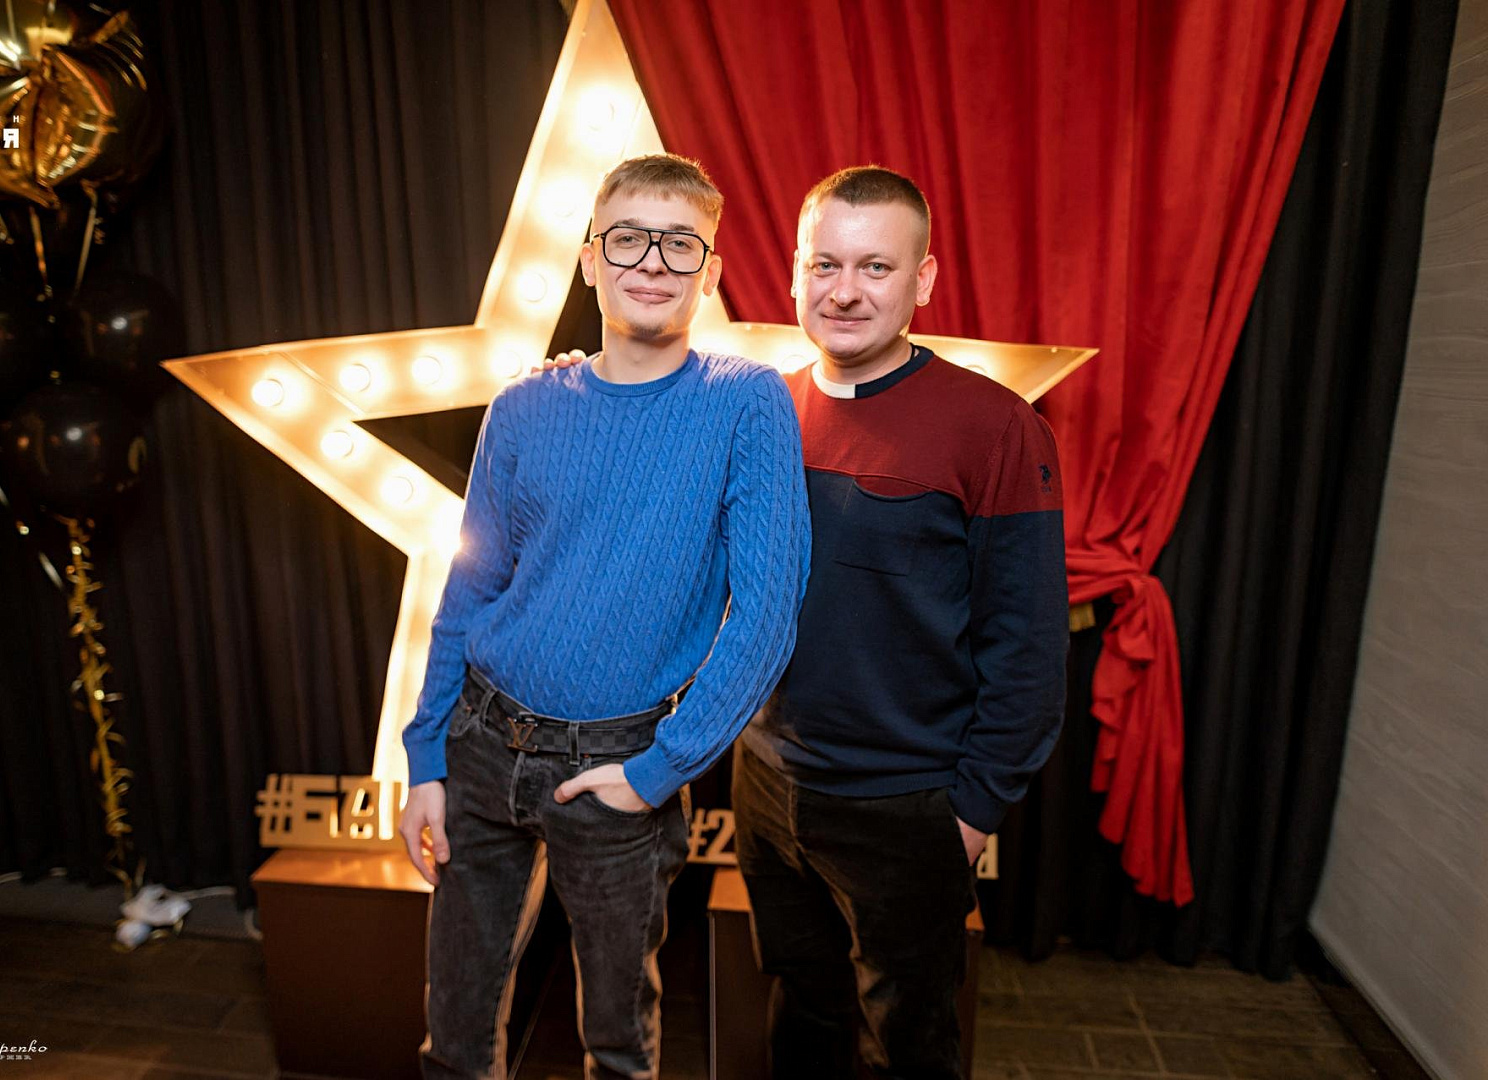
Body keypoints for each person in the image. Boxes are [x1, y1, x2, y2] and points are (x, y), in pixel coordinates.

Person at [398, 153, 812, 1080]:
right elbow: (470, 586)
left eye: (680, 244)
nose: (652, 261)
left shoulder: (745, 403)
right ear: (590, 260)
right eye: (628, 238)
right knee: (455, 1031)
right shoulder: (522, 405)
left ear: (710, 270)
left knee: (618, 1041)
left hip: (619, 762)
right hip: (480, 742)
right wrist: (426, 755)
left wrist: (662, 768)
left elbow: (767, 616)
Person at [733, 166, 1069, 1079]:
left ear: (922, 281)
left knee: (910, 1045)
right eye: (825, 264)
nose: (845, 291)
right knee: (803, 1016)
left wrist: (970, 813)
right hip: (767, 789)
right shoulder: (763, 411)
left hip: (906, 806)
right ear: (794, 273)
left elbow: (1029, 648)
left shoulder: (995, 428)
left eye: (875, 267)